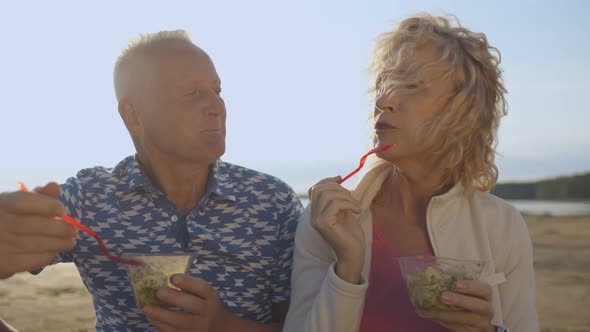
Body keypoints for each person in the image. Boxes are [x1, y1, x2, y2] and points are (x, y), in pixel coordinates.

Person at [0, 30, 303, 331]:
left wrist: (222, 326)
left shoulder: (272, 202)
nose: (216, 106)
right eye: (192, 93)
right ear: (133, 115)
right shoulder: (91, 199)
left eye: (217, 90)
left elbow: (308, 324)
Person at [284, 14, 538, 332]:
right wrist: (347, 266)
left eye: (413, 85)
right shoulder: (329, 221)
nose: (384, 100)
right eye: (384, 84)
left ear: (464, 111)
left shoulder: (502, 226)